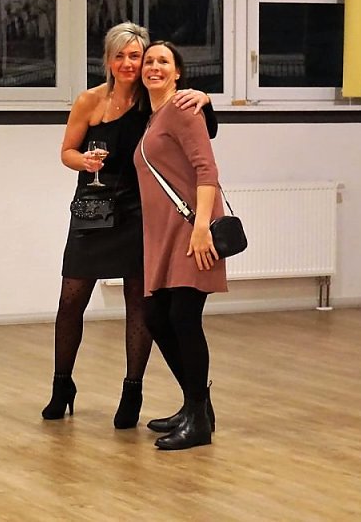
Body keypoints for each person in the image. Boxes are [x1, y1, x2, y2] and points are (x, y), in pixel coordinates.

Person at [42, 22, 217, 428]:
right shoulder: (89, 100)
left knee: (140, 303)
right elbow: (67, 151)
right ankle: (62, 384)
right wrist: (82, 161)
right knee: (71, 299)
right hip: (92, 207)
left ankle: (132, 391)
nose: (128, 63)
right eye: (119, 55)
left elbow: (201, 128)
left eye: (135, 56)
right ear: (107, 60)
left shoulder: (152, 102)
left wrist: (205, 97)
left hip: (139, 211)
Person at [133, 40, 228, 451]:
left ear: (177, 73)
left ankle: (198, 420)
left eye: (163, 61)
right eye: (149, 61)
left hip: (192, 230)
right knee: (157, 317)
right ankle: (195, 405)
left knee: (184, 318)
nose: (153, 66)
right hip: (165, 234)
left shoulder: (184, 108)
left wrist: (202, 227)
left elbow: (207, 170)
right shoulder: (154, 116)